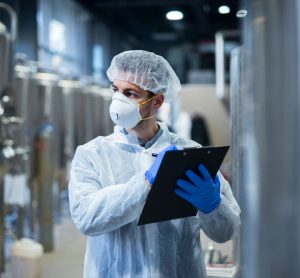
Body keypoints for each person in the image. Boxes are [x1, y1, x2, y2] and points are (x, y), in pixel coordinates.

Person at [69, 50, 241, 278]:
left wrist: (212, 206)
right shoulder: (92, 154)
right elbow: (87, 219)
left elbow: (225, 233)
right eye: (116, 90)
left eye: (130, 93)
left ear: (157, 100)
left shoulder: (191, 154)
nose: (118, 100)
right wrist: (146, 182)